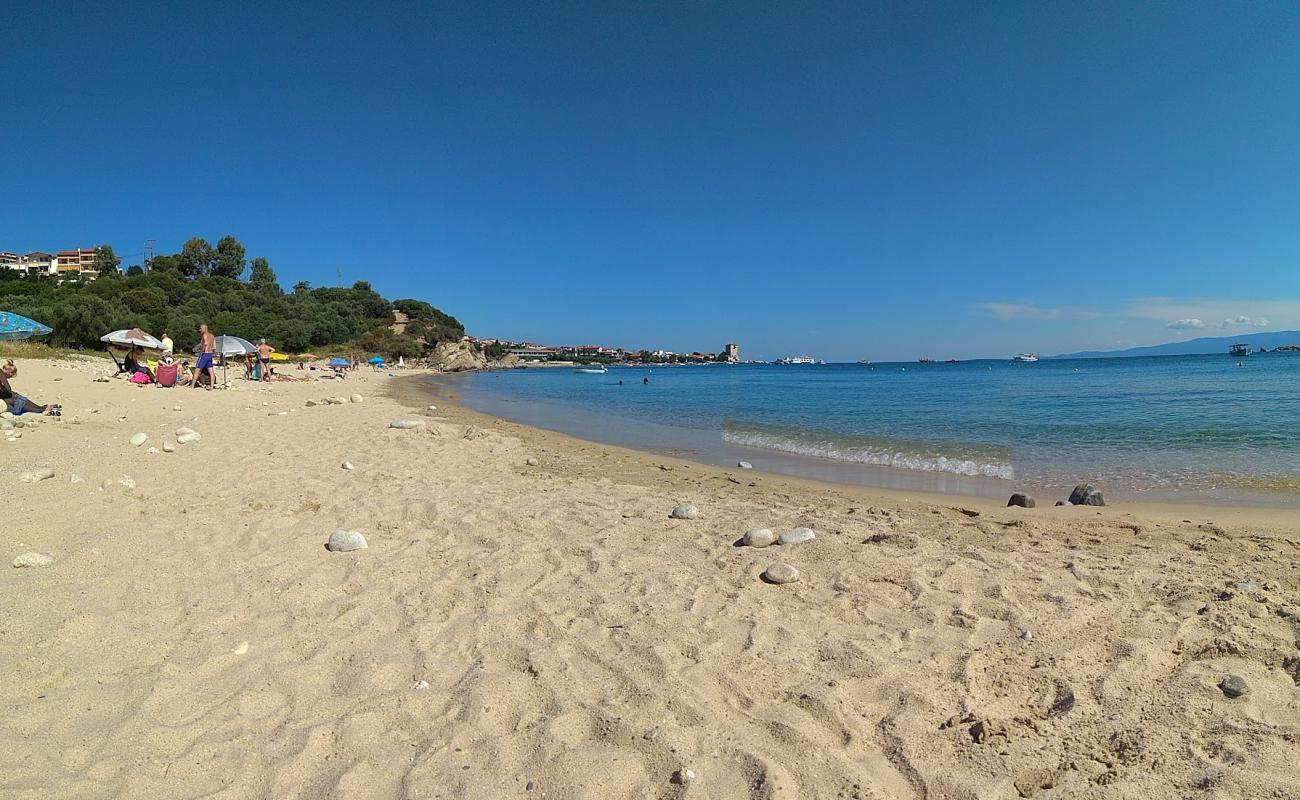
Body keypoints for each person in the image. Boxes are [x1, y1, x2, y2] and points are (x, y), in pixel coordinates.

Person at [191, 324, 216, 389]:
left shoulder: (204, 335)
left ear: (205, 329)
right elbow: (214, 347)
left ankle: (192, 386)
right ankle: (212, 386)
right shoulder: (212, 336)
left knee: (197, 370)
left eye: (201, 328)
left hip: (204, 354)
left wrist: (201, 351)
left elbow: (205, 344)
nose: (200, 330)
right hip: (210, 354)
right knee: (211, 371)